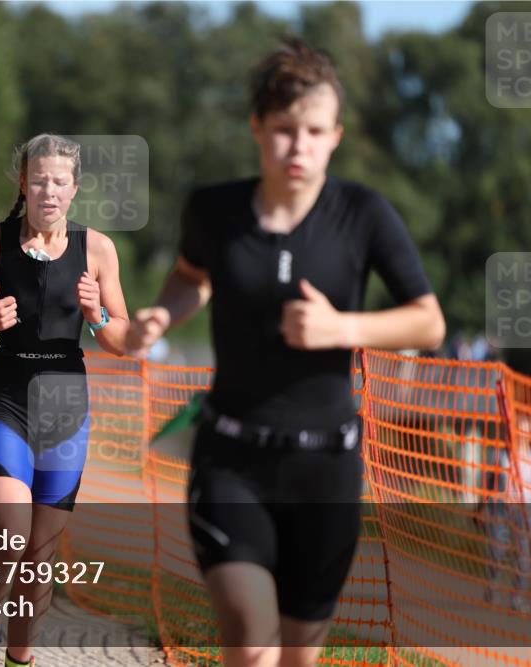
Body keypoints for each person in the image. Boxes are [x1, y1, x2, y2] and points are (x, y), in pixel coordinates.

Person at [126, 38, 446, 667]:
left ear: (336, 135)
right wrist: (165, 311)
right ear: (257, 128)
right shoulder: (214, 211)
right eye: (283, 129)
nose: (297, 146)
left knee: (298, 657)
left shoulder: (363, 215)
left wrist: (339, 328)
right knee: (251, 642)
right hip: (230, 458)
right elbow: (193, 276)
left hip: (326, 470)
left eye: (314, 131)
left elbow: (428, 322)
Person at [0, 133, 129, 667]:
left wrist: (99, 317)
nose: (48, 190)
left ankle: (21, 659)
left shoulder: (99, 251)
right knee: (11, 532)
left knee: (40, 556)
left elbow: (123, 340)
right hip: (7, 396)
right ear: (23, 183)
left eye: (59, 181)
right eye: (38, 179)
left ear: (74, 189)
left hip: (66, 403)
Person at [479, 414, 531, 615]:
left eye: (527, 429)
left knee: (524, 558)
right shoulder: (500, 454)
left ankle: (517, 599)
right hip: (501, 508)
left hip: (526, 511)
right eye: (520, 429)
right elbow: (488, 484)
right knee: (497, 552)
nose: (523, 434)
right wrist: (481, 508)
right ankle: (492, 590)